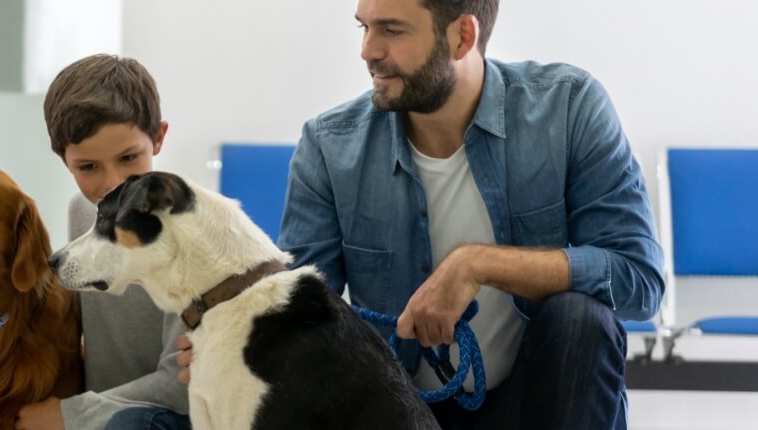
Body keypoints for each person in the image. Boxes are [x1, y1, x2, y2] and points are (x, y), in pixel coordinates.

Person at [276, 0, 664, 428]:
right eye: (364, 28)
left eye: (392, 30)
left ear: (462, 36)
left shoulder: (569, 108)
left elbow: (638, 280)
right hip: (392, 409)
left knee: (582, 319)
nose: (368, 50)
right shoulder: (328, 147)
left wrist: (476, 264)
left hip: (533, 406)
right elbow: (299, 318)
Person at [15, 54, 190, 430]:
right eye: (89, 167)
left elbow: (182, 387)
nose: (113, 184)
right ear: (65, 160)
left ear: (158, 139)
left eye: (128, 158)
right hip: (100, 416)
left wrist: (69, 415)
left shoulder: (186, 230)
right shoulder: (82, 211)